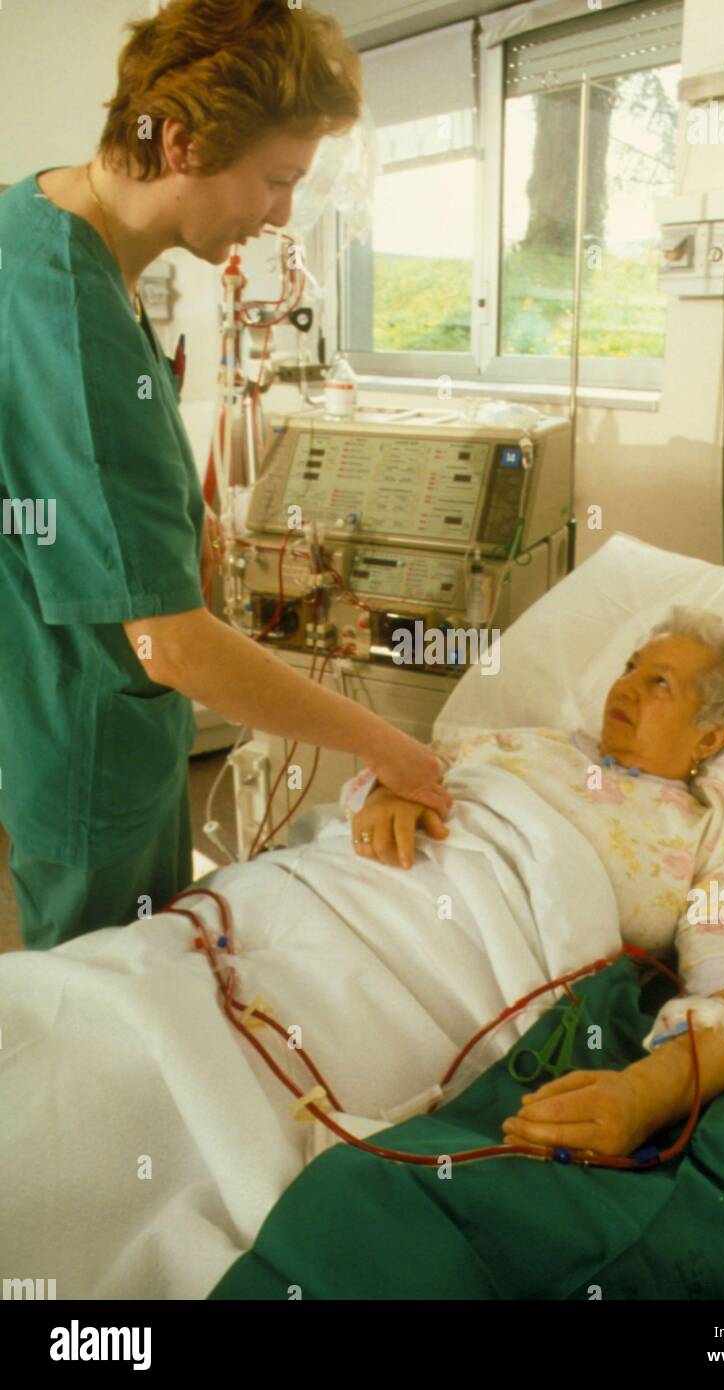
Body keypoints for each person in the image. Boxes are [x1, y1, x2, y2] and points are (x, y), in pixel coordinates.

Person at [0, 0, 450, 951]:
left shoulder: (40, 221)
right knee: (113, 1011)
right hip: (88, 731)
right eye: (277, 178)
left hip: (80, 705)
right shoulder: (67, 311)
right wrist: (388, 744)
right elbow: (171, 646)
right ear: (184, 146)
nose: (282, 213)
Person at [344, 606, 724, 1157]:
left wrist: (645, 1094)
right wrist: (389, 796)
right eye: (630, 667)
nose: (625, 687)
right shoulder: (525, 745)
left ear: (710, 737)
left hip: (455, 979)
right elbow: (396, 773)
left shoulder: (717, 831)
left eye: (659, 684)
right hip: (356, 893)